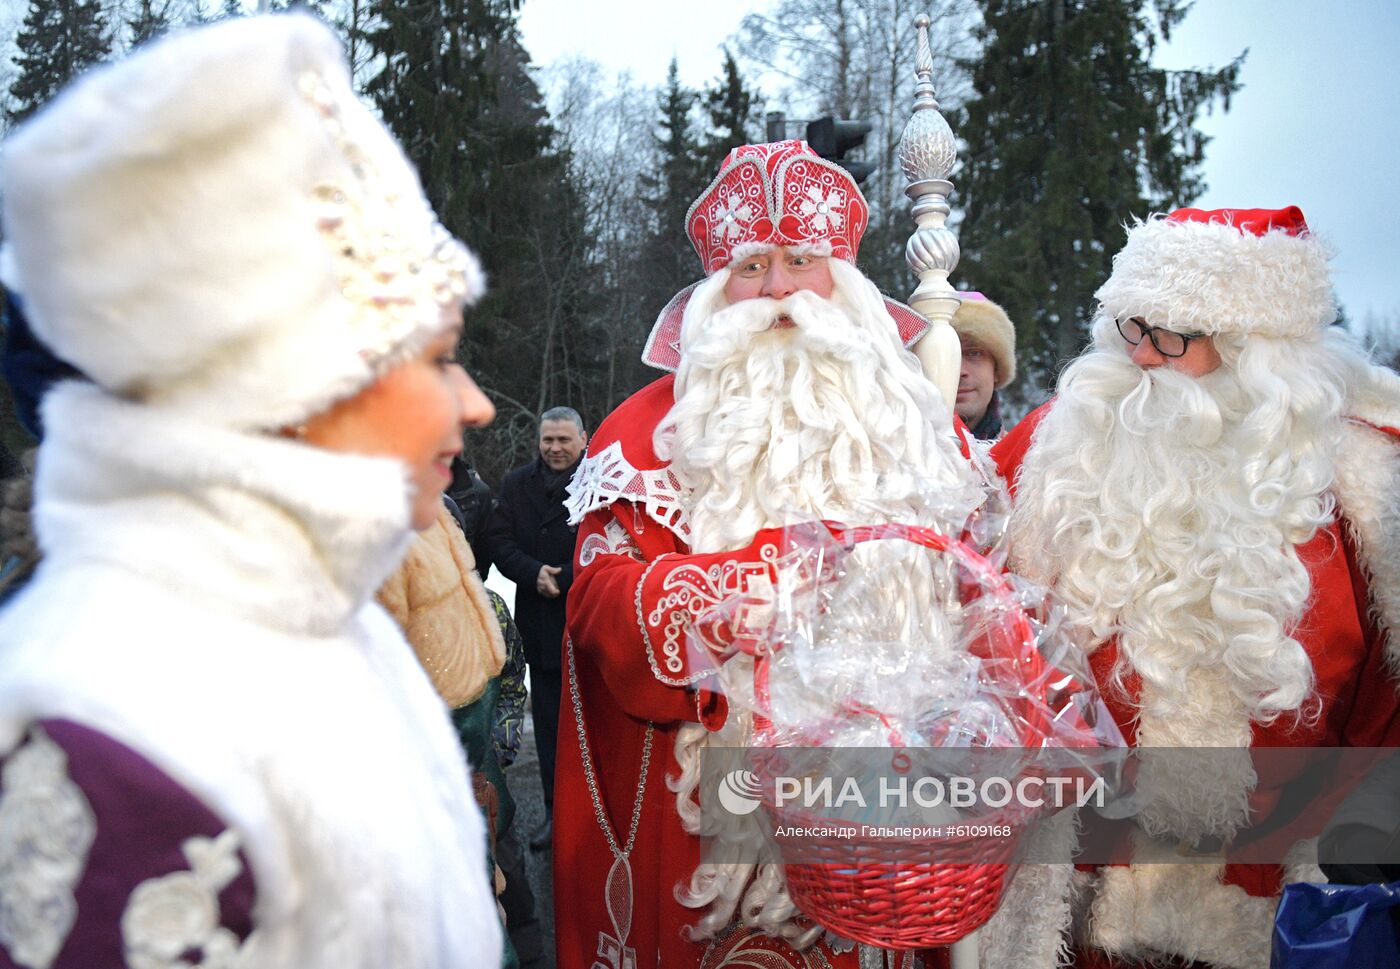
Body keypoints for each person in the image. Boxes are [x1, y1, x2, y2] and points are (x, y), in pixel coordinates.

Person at [0, 15, 502, 968]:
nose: (476, 406)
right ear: (289, 387)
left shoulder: (326, 620)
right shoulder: (107, 732)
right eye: (439, 359)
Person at [556, 140, 992, 969]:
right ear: (718, 292)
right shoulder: (644, 436)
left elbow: (988, 604)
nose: (780, 288)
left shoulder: (923, 434)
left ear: (847, 285)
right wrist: (751, 587)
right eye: (753, 267)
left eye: (802, 260)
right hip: (708, 843)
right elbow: (599, 610)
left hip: (893, 836)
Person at [992, 206, 1400, 967]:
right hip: (1069, 920)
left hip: (1275, 921)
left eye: (1171, 336)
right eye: (1131, 326)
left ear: (1256, 352)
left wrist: (1343, 858)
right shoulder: (1056, 451)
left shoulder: (1364, 494)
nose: (1141, 357)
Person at [486, 406, 589, 850]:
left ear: (584, 440)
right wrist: (533, 573)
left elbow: (614, 544)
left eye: (564, 440)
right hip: (540, 626)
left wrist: (563, 576)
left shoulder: (601, 482)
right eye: (549, 440)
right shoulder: (515, 485)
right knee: (548, 728)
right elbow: (499, 542)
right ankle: (554, 815)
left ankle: (596, 821)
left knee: (590, 730)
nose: (555, 448)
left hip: (587, 624)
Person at [950, 292, 1017, 439]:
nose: (960, 371)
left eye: (974, 353)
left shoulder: (1028, 459)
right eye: (945, 355)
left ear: (997, 371)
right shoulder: (893, 455)